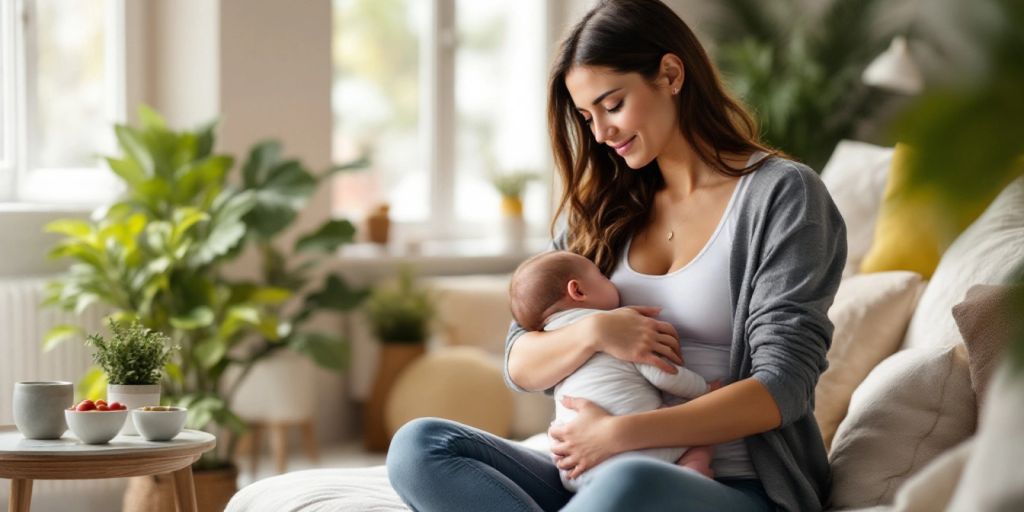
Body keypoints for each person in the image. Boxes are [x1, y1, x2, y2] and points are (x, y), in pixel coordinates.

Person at [386, 0, 846, 510]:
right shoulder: (603, 206)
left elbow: (782, 388)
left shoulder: (782, 196)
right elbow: (520, 361)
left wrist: (622, 435)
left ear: (671, 74)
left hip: (730, 482)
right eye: (587, 116)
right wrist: (596, 330)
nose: (601, 133)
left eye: (612, 104)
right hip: (590, 472)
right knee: (420, 446)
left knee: (628, 485)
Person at [508, 250, 715, 491]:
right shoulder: (622, 325)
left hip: (572, 469)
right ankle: (694, 468)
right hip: (641, 452)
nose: (610, 280)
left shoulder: (550, 344)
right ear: (578, 291)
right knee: (700, 441)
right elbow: (661, 372)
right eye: (602, 275)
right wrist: (705, 389)